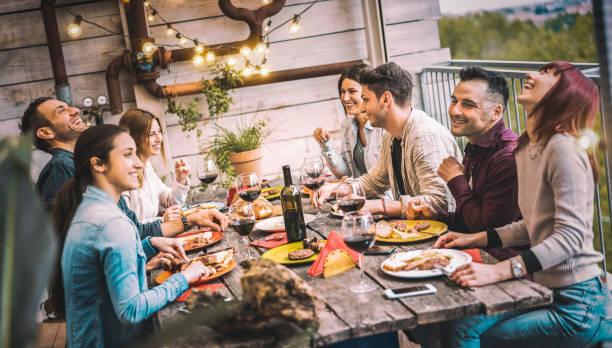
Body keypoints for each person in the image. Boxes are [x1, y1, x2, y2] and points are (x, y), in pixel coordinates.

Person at [432, 62, 612, 347]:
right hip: (545, 288)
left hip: (578, 303)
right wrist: (475, 238)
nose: (530, 75)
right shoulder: (528, 146)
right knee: (459, 322)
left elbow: (570, 237)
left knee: (473, 333)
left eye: (546, 75)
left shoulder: (563, 147)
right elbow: (534, 226)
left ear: (564, 95)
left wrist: (497, 271)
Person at [54, 125, 208, 346]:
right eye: (127, 154)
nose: (138, 163)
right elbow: (131, 310)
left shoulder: (89, 208)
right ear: (97, 164)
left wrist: (150, 243)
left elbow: (102, 262)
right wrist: (185, 277)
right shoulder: (112, 223)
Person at [18, 98, 226, 240]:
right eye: (61, 110)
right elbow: (60, 243)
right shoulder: (60, 168)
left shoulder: (82, 164)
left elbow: (133, 229)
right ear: (45, 132)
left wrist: (190, 219)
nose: (74, 110)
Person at [405, 66, 526, 261]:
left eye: (468, 104)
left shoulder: (507, 158)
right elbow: (469, 220)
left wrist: (456, 180)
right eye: (454, 101)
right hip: (477, 255)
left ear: (496, 112)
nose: (455, 110)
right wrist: (435, 216)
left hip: (505, 266)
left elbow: (486, 232)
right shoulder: (476, 145)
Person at [312, 62, 462, 216]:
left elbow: (440, 202)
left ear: (386, 99)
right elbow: (375, 181)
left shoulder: (425, 137)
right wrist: (338, 189)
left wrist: (379, 206)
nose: (363, 108)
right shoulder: (390, 135)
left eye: (366, 100)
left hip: (446, 233)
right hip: (414, 228)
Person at [312, 63, 384, 179]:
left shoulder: (383, 126)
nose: (345, 98)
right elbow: (345, 174)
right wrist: (326, 145)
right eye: (342, 91)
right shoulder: (347, 124)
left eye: (352, 91)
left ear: (367, 92)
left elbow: (385, 179)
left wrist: (352, 187)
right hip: (360, 194)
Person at [119, 108, 190, 223]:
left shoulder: (146, 166)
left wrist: (181, 178)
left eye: (159, 132)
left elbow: (170, 201)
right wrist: (162, 220)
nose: (159, 139)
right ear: (134, 138)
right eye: (152, 134)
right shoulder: (122, 174)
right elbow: (126, 224)